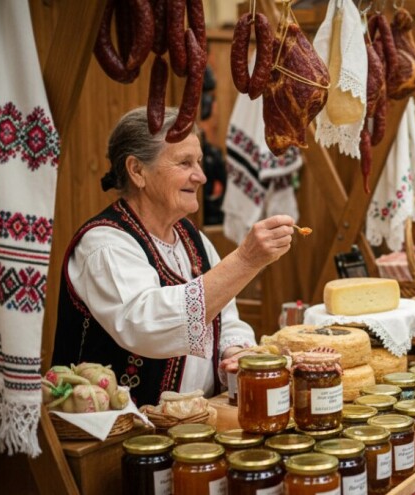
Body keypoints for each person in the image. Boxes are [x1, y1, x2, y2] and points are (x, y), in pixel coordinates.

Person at [52, 107, 295, 406]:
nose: (202, 176)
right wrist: (245, 260)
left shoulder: (192, 238)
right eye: (184, 163)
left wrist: (233, 352)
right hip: (115, 437)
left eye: (199, 162)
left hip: (194, 426)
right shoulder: (103, 243)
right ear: (137, 170)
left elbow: (225, 316)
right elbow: (145, 324)